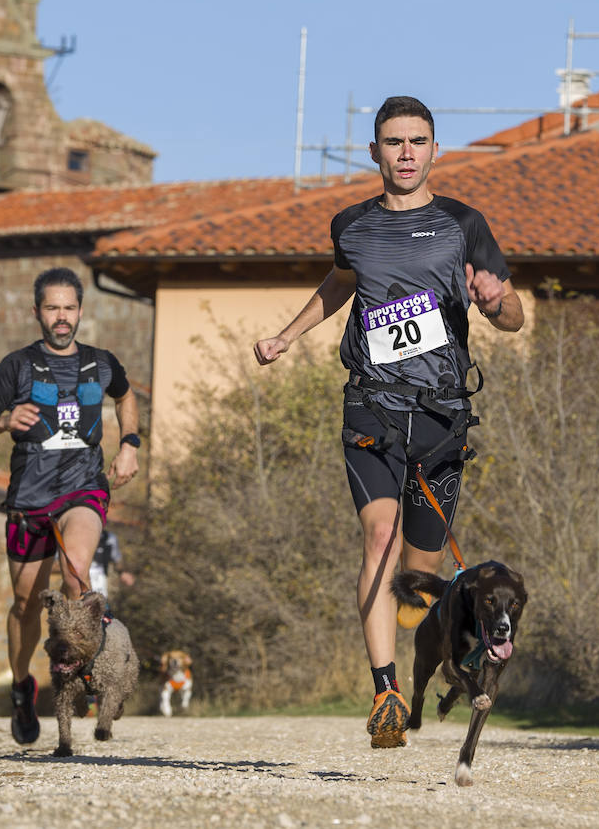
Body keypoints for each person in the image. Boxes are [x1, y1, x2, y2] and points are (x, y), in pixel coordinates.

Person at [253, 95, 524, 749]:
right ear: (374, 151)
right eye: (394, 142)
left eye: (418, 141)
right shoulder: (351, 224)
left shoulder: (464, 224)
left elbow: (513, 312)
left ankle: (410, 612)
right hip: (372, 401)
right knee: (379, 536)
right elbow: (341, 282)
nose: (406, 153)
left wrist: (494, 305)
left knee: (417, 573)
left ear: (435, 150)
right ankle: (385, 691)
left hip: (441, 413)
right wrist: (288, 335)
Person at [0, 267, 141, 746]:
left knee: (76, 567)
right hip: (29, 497)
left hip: (84, 486)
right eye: (51, 308)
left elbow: (126, 397)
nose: (61, 317)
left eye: (68, 307)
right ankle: (23, 687)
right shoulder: (16, 366)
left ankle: (82, 672)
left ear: (80, 311)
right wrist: (2, 421)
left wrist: (130, 444)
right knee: (25, 602)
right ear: (37, 312)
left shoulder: (101, 363)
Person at [88, 528, 136, 600]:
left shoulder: (110, 538)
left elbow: (116, 558)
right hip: (85, 570)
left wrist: (122, 572)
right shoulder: (111, 538)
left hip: (99, 574)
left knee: (100, 601)